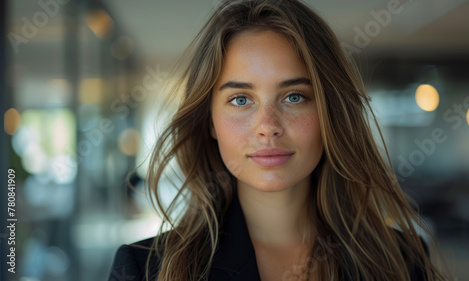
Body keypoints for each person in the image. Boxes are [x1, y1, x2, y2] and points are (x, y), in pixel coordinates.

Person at [108, 0, 450, 280]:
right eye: (241, 100)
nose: (267, 126)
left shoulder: (402, 260)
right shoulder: (145, 270)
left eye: (294, 97)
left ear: (329, 112)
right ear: (209, 121)